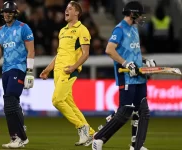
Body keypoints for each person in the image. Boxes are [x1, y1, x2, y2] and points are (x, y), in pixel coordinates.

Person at [92, 1, 156, 150]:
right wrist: (126, 63)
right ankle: (98, 138)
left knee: (143, 111)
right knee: (125, 111)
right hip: (126, 75)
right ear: (132, 13)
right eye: (139, 14)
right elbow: (109, 50)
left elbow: (134, 53)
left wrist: (145, 61)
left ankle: (137, 146)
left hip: (138, 75)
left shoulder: (134, 29)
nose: (141, 17)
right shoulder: (119, 29)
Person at [39, 1, 95, 146]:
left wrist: (74, 67)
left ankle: (82, 127)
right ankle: (91, 134)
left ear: (77, 13)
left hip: (69, 71)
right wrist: (48, 69)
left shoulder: (82, 29)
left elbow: (86, 53)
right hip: (58, 71)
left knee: (57, 100)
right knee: (69, 102)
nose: (66, 10)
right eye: (66, 8)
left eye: (70, 8)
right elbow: (59, 54)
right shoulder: (62, 31)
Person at [0, 1, 35, 148]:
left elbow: (31, 50)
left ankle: (19, 137)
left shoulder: (24, 28)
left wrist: (30, 72)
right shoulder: (1, 31)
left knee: (10, 101)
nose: (6, 14)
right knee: (12, 103)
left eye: (9, 12)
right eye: (5, 12)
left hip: (18, 68)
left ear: (15, 13)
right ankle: (17, 135)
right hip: (6, 70)